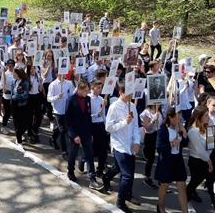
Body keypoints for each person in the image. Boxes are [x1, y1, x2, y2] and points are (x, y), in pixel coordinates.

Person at [103, 82, 141, 213]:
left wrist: (137, 142)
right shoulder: (114, 107)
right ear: (120, 92)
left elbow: (136, 126)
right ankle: (120, 201)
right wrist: (124, 122)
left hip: (130, 145)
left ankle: (108, 178)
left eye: (132, 93)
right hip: (119, 145)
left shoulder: (133, 107)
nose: (131, 96)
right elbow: (108, 127)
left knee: (121, 168)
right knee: (127, 175)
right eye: (128, 93)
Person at [65, 79, 104, 190]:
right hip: (75, 132)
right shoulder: (71, 100)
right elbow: (68, 120)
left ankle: (92, 178)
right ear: (80, 89)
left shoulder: (87, 99)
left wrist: (90, 132)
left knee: (89, 153)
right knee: (73, 152)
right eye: (85, 91)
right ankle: (70, 171)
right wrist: (74, 135)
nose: (87, 93)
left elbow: (87, 117)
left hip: (86, 131)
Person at [155, 107, 189, 213]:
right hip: (166, 161)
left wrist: (184, 132)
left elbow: (185, 143)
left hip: (177, 160)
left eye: (180, 119)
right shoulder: (163, 130)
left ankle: (185, 211)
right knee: (164, 185)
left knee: (182, 187)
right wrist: (171, 145)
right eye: (177, 119)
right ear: (170, 118)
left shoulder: (178, 129)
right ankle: (161, 207)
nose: (179, 121)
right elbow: (159, 147)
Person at [186, 105, 213, 204]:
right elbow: (200, 150)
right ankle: (187, 201)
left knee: (208, 183)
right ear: (199, 117)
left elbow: (211, 143)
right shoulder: (193, 131)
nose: (208, 117)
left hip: (207, 159)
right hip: (197, 161)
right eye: (206, 115)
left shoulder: (207, 127)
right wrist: (209, 162)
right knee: (194, 182)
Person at [47, 74, 75, 160]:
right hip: (58, 111)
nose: (62, 75)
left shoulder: (68, 83)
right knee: (62, 131)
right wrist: (57, 97)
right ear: (56, 74)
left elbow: (71, 95)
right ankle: (64, 151)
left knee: (62, 128)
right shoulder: (53, 84)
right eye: (60, 73)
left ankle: (53, 138)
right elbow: (49, 98)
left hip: (66, 110)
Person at [140, 104, 162, 189]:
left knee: (161, 158)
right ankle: (147, 178)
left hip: (158, 135)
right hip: (150, 137)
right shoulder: (147, 112)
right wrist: (153, 120)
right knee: (151, 158)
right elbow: (147, 128)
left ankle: (161, 180)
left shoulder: (159, 111)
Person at [11, 68, 30, 147]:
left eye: (14, 73)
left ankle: (19, 134)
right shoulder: (13, 81)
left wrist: (17, 95)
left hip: (23, 104)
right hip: (14, 104)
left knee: (25, 123)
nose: (13, 74)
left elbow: (26, 94)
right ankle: (19, 141)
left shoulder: (25, 83)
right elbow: (12, 92)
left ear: (18, 74)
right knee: (17, 123)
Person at [0, 59, 16, 135]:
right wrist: (3, 89)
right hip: (7, 96)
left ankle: (17, 130)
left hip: (15, 96)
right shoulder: (4, 74)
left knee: (15, 113)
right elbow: (0, 85)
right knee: (8, 113)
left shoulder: (16, 73)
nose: (11, 67)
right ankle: (4, 126)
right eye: (9, 66)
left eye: (12, 66)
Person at [26, 64, 43, 144]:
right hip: (29, 97)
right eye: (31, 69)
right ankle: (30, 134)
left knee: (39, 116)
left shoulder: (37, 76)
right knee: (29, 117)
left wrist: (41, 82)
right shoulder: (27, 78)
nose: (33, 70)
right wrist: (29, 87)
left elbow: (40, 89)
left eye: (34, 68)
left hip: (36, 97)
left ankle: (34, 130)